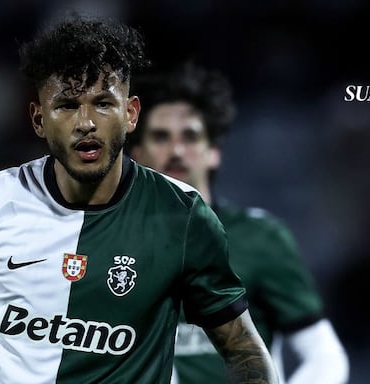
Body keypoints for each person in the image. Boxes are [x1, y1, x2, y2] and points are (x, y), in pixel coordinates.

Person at [0, 16, 279, 384]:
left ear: (130, 114)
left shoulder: (181, 215)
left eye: (102, 103)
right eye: (67, 105)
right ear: (38, 119)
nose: (85, 122)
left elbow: (243, 351)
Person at [128, 63, 349, 384]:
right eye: (161, 138)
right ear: (137, 152)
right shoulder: (110, 240)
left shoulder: (260, 237)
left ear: (213, 152)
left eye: (190, 137)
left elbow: (324, 355)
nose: (176, 151)